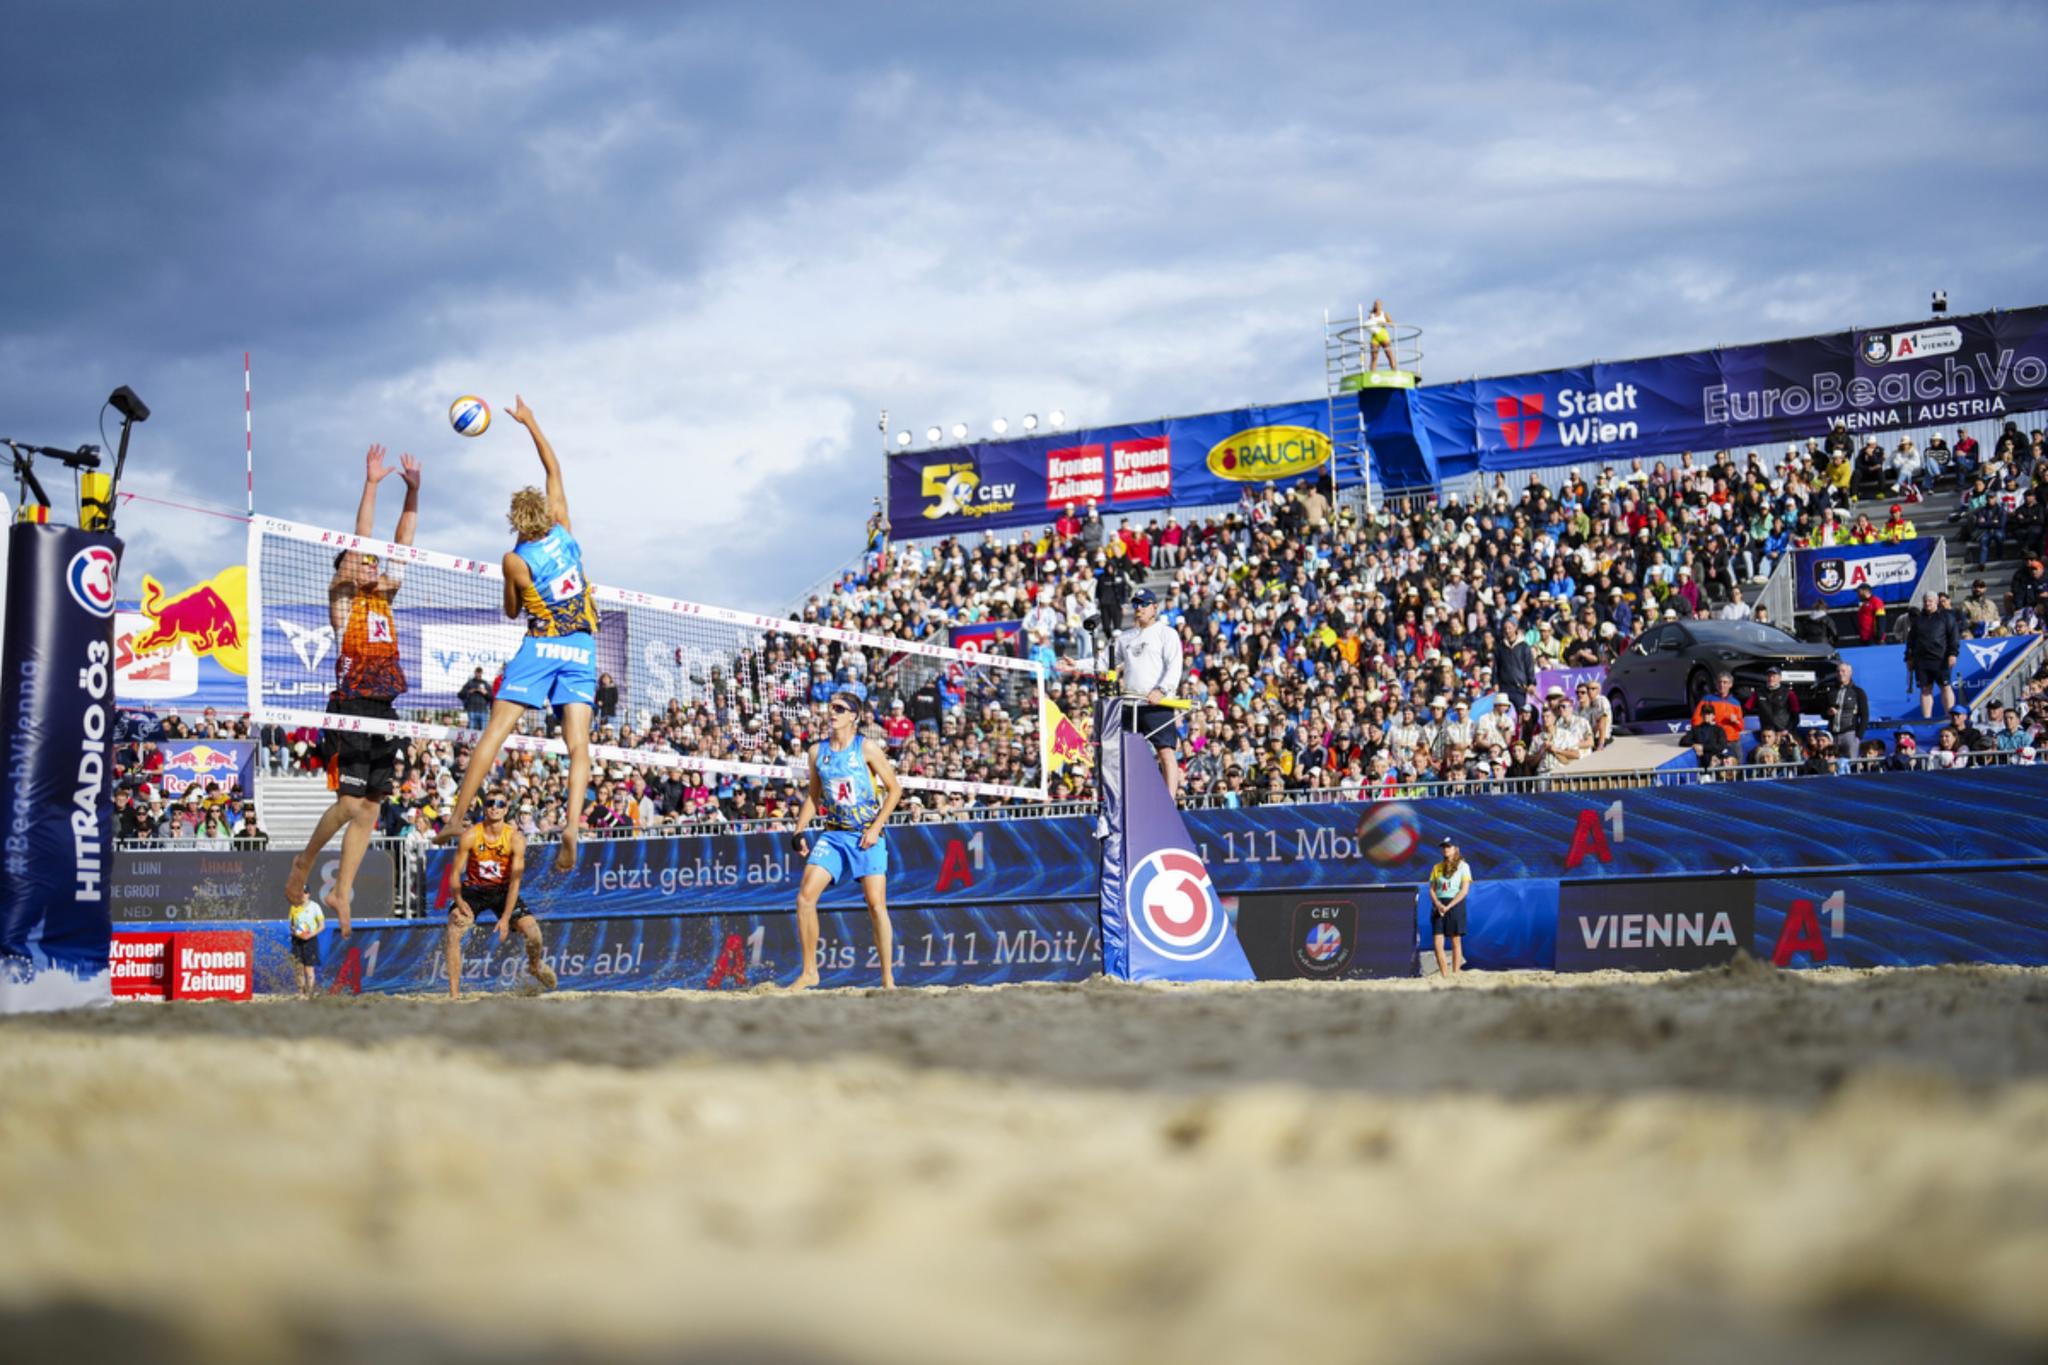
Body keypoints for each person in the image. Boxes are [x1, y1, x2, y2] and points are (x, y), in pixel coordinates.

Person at [438, 397, 598, 874]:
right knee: (578, 747)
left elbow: (512, 611)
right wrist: (531, 422)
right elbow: (553, 465)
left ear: (515, 522)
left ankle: (455, 817)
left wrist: (520, 587)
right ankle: (572, 824)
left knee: (496, 732)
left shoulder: (515, 559)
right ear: (545, 512)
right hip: (583, 645)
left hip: (542, 644)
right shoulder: (565, 528)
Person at [286, 443, 422, 935]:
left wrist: (412, 492)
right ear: (345, 566)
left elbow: (402, 542)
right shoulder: (342, 597)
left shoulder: (384, 596)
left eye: (371, 563)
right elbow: (363, 538)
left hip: (384, 706)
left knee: (371, 807)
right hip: (350, 702)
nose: (371, 565)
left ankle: (342, 889)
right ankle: (304, 862)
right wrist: (371, 484)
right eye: (361, 561)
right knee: (348, 803)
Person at [789, 690, 903, 990]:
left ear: (854, 716)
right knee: (804, 898)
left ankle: (887, 980)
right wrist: (799, 830)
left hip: (866, 833)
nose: (832, 712)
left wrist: (877, 828)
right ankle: (810, 972)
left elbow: (895, 790)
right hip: (835, 834)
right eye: (831, 707)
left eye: (839, 708)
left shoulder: (866, 748)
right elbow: (814, 797)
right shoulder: (817, 752)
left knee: (876, 905)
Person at [1061, 587, 1185, 800]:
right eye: (1136, 604)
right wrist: (1077, 664)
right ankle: (1130, 798)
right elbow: (1104, 663)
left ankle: (1170, 801)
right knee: (1124, 754)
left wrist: (1161, 689)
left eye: (1144, 604)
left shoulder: (1167, 634)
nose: (1139, 609)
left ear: (1154, 607)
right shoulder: (1126, 637)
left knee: (1165, 752)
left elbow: (1174, 666)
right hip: (1130, 703)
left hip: (1158, 702)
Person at [446, 789, 557, 999]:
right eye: (490, 803)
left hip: (503, 890)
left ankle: (534, 967)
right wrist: (459, 900)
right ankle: (454, 995)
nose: (494, 807)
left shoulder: (515, 838)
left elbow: (515, 882)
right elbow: (453, 875)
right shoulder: (471, 835)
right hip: (474, 890)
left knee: (533, 932)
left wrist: (506, 918)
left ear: (506, 809)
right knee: (454, 926)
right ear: (485, 807)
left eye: (499, 803)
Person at [1903, 590, 1960, 720]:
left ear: (1936, 602)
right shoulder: (1918, 620)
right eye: (1925, 601)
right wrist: (1908, 657)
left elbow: (1954, 637)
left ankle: (1949, 717)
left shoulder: (1947, 617)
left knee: (1945, 687)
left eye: (1930, 601)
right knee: (1925, 690)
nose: (1927, 603)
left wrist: (1953, 654)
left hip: (1941, 659)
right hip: (1922, 661)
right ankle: (1927, 719)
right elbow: (1911, 641)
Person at [1427, 837, 1471, 979]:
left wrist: (1449, 906)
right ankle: (1445, 976)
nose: (1445, 849)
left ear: (1455, 849)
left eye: (1449, 846)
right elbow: (1432, 890)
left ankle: (1455, 975)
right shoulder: (1436, 867)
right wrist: (1439, 904)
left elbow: (1464, 891)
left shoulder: (1463, 866)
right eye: (1443, 846)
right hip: (1439, 905)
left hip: (1455, 904)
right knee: (1437, 942)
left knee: (1455, 941)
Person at [1683, 671, 1744, 764]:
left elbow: (1741, 727)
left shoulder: (1735, 703)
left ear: (1730, 685)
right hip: (1714, 743)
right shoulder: (1707, 699)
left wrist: (1736, 721)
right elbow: (1696, 720)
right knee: (1715, 770)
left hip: (1732, 742)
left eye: (1725, 682)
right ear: (1716, 684)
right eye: (1719, 682)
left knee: (1737, 770)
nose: (1722, 685)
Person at [1826, 660, 1869, 751]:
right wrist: (1828, 712)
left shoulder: (1858, 692)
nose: (1840, 674)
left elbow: (1865, 715)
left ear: (1850, 673)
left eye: (1843, 671)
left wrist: (1858, 737)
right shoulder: (1831, 691)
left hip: (1850, 734)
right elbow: (1823, 711)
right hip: (1833, 734)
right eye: (1838, 671)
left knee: (1851, 763)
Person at [457, 667, 493, 732]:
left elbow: (491, 697)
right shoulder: (470, 683)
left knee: (483, 731)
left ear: (482, 673)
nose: (478, 674)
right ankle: (471, 742)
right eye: (477, 672)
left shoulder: (485, 684)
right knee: (471, 730)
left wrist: (485, 693)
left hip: (483, 711)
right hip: (472, 710)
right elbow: (460, 695)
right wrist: (469, 691)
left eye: (480, 672)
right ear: (475, 672)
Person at [1366, 299, 1396, 372]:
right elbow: (1369, 325)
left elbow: (1392, 324)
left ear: (1381, 306)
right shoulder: (1371, 315)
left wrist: (1383, 322)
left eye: (1378, 304)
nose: (1377, 305)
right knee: (1374, 356)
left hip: (1383, 335)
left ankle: (1394, 371)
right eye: (1375, 304)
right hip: (1374, 336)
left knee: (1389, 354)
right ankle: (1372, 373)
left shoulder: (1385, 314)